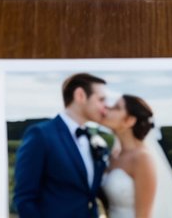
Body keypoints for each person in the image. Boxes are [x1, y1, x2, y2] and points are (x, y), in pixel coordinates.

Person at [13, 71, 109, 218]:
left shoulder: (93, 139)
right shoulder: (41, 135)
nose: (105, 107)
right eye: (101, 100)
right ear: (80, 96)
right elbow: (25, 198)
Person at [101, 94, 172, 218]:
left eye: (116, 108)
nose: (108, 109)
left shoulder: (142, 158)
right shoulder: (114, 155)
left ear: (130, 121)